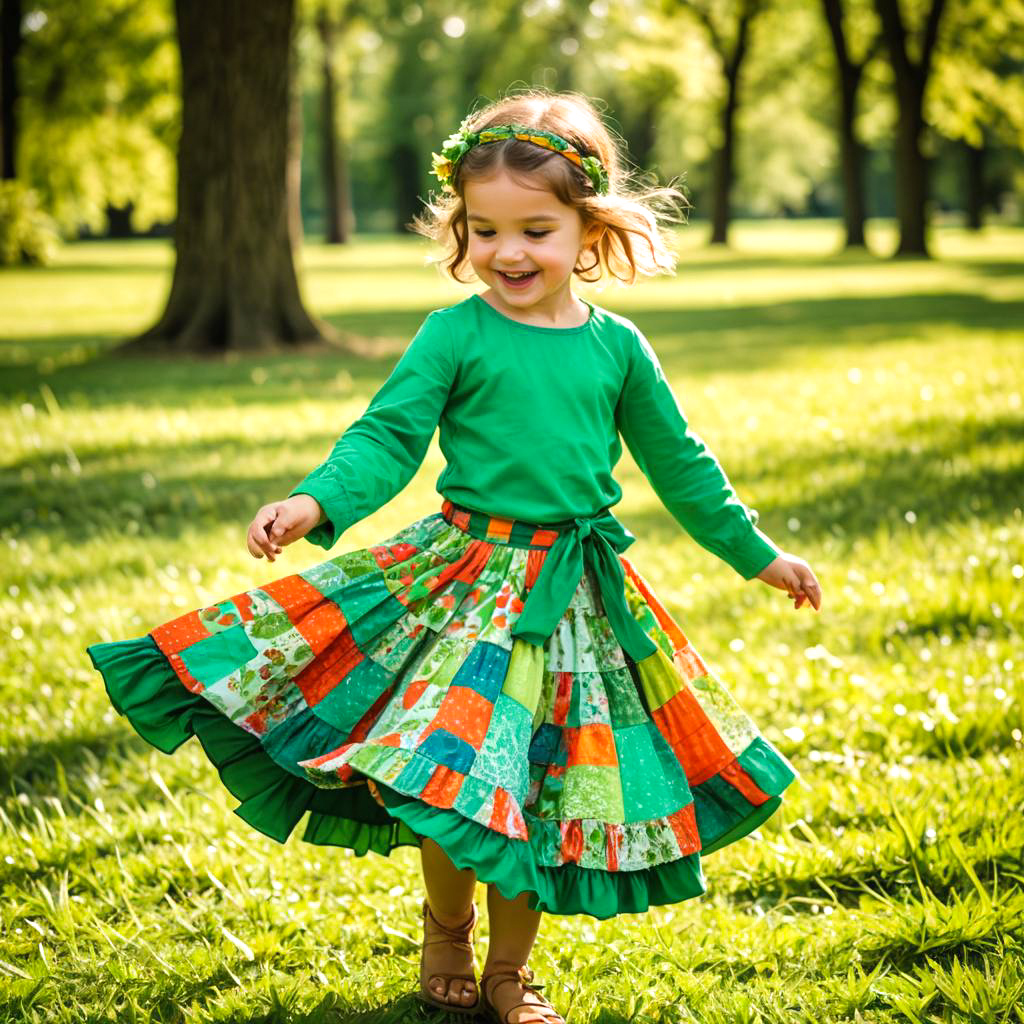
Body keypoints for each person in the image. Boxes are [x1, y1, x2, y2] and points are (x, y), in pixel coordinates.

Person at [86, 88, 822, 1024]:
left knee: (532, 783)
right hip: (464, 584)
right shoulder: (454, 333)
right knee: (456, 770)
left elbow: (684, 467)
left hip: (576, 600)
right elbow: (387, 438)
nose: (508, 252)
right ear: (461, 230)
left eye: (536, 229)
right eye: (485, 230)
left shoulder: (619, 351)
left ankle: (512, 973)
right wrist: (316, 502)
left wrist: (760, 556)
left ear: (587, 230)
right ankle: (447, 927)